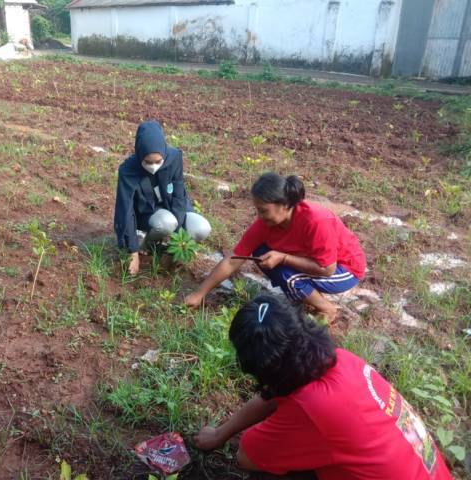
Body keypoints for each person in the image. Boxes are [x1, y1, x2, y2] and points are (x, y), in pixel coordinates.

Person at [194, 295, 453, 480]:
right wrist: (220, 434)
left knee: (265, 473)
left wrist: (248, 439)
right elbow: (274, 395)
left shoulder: (315, 407)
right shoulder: (338, 360)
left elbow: (247, 457)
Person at [185, 172, 365, 322]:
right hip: (315, 262)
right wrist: (199, 294)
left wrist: (284, 257)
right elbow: (233, 260)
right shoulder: (265, 225)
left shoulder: (315, 220)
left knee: (289, 276)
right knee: (261, 252)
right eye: (257, 210)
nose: (259, 216)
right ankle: (311, 297)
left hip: (344, 269)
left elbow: (327, 269)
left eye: (263, 210)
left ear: (285, 205)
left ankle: (327, 309)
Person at [114, 120, 211, 275]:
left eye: (158, 162)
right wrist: (132, 251)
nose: (153, 166)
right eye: (148, 162)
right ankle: (147, 245)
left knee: (201, 228)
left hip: (173, 206)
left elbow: (179, 196)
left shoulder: (174, 157)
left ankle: (168, 252)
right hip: (148, 213)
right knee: (166, 222)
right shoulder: (128, 170)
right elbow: (125, 210)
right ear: (139, 155)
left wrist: (178, 242)